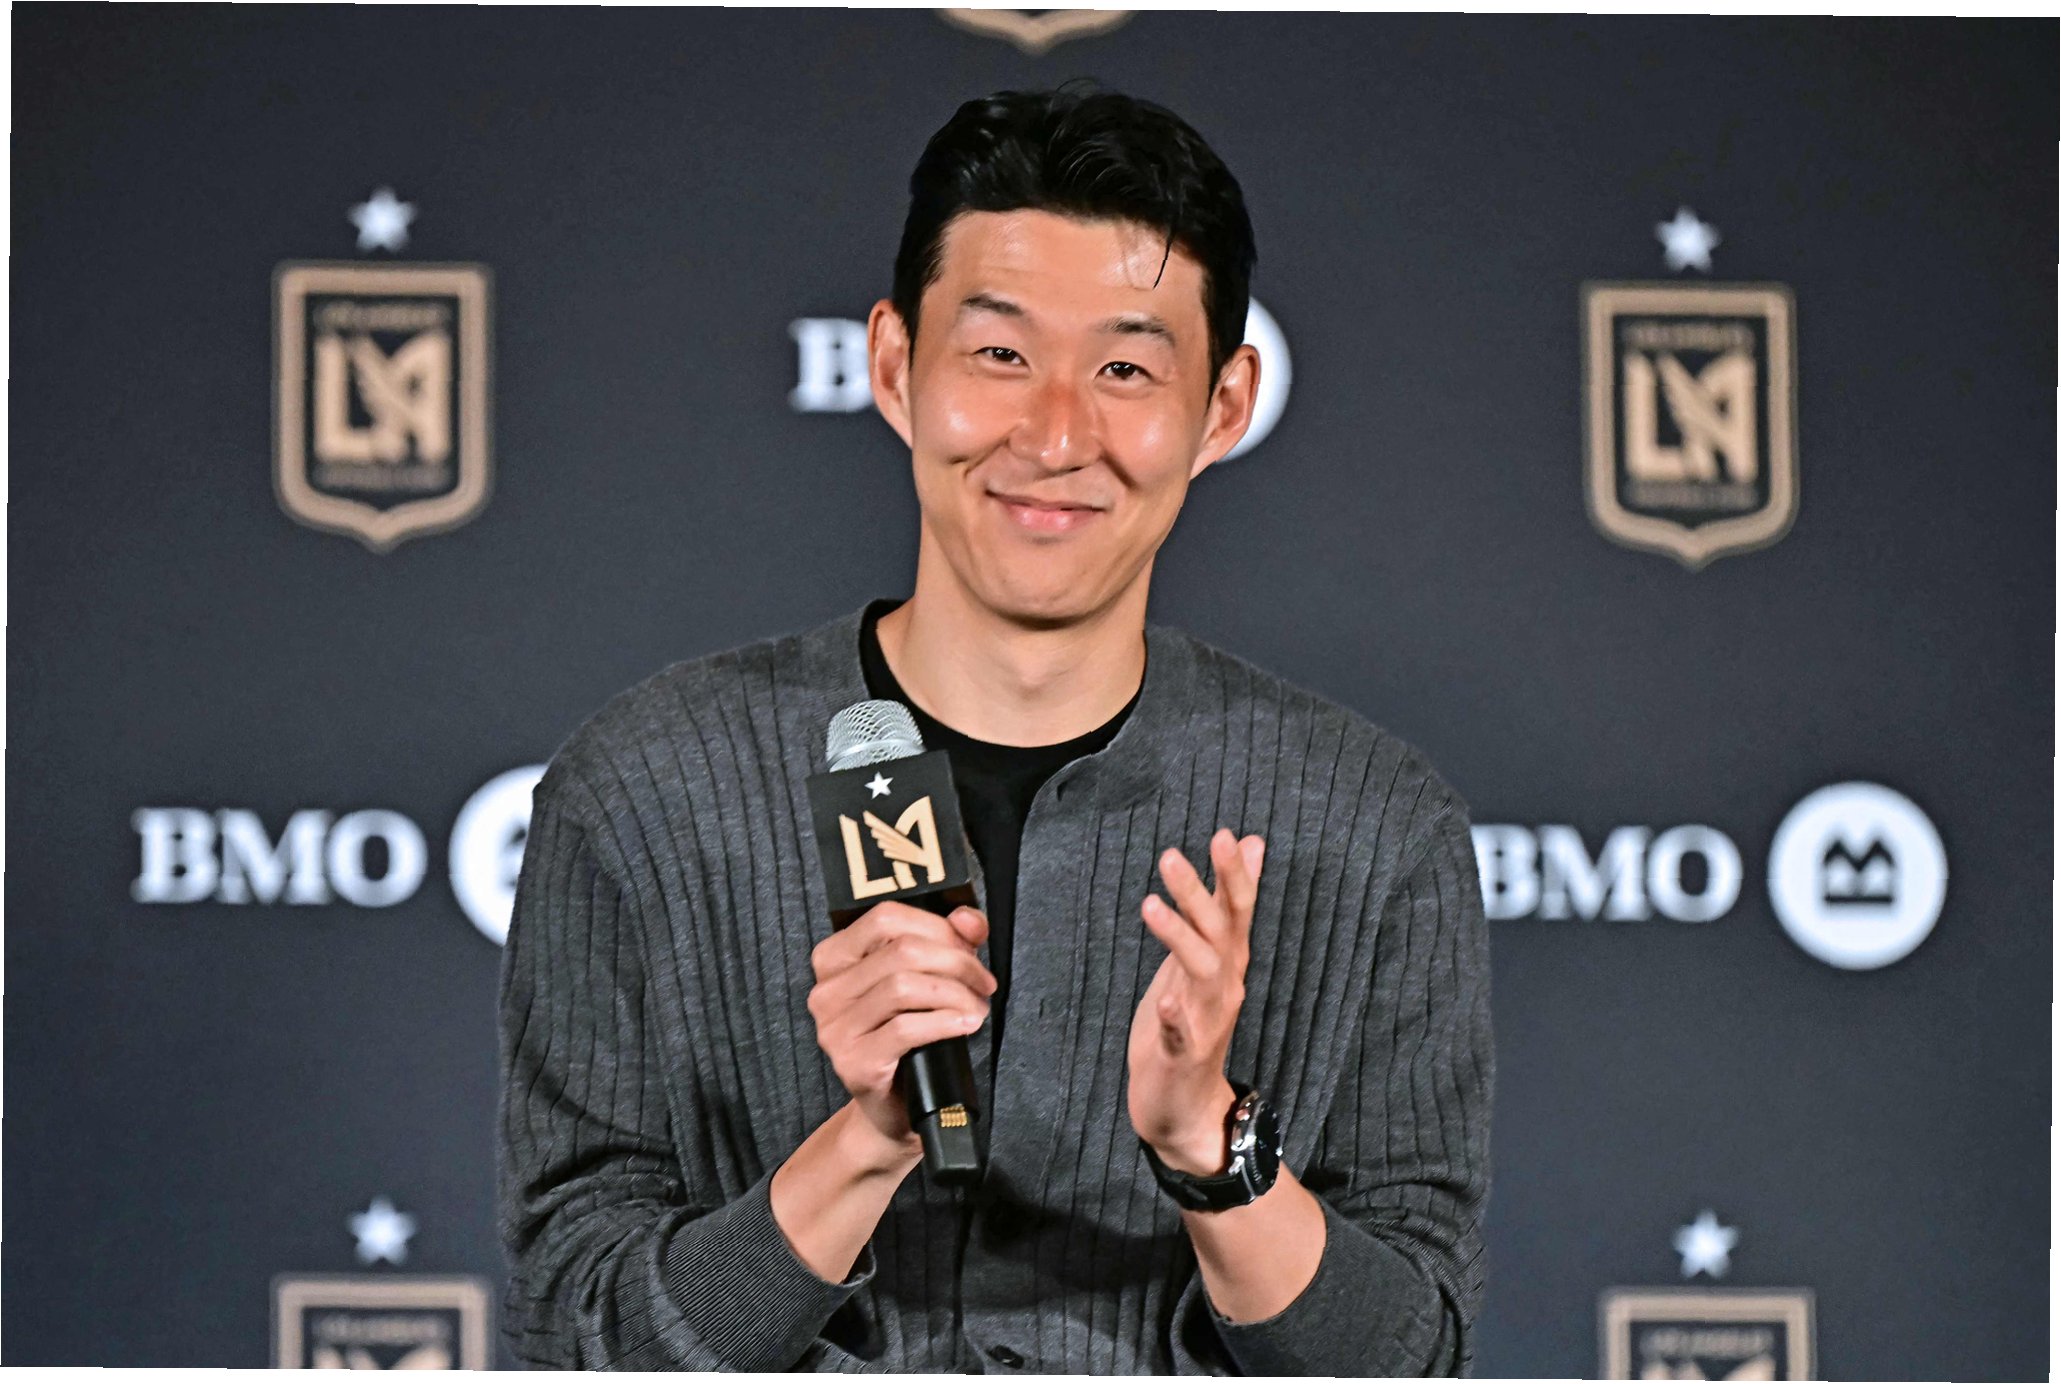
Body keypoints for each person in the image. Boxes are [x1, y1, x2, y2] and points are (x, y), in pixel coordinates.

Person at [497, 82, 1493, 1375]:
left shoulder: (1372, 827)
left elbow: (1412, 1357)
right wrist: (864, 1139)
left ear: (1223, 407)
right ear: (894, 367)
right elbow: (573, 1337)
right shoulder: (644, 792)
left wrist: (1211, 1147)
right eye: (1000, 356)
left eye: (1125, 369)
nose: (1056, 435)